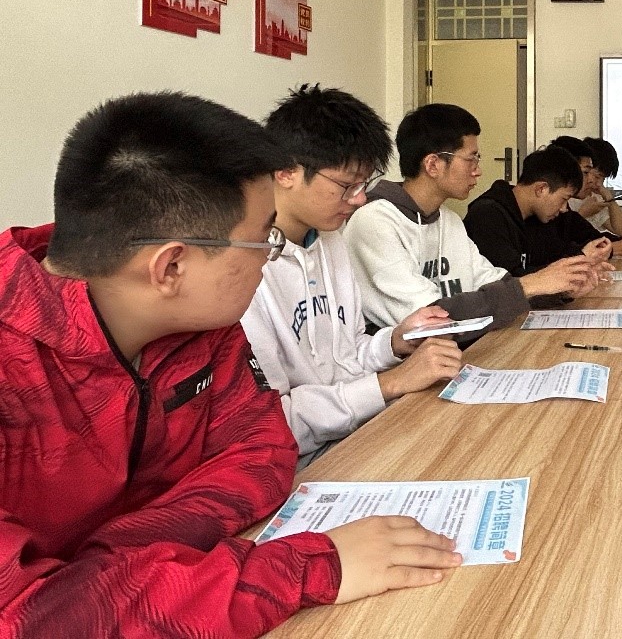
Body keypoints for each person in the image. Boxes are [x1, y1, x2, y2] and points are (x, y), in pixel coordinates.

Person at [0, 92, 460, 638]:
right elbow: (32, 618)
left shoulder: (201, 323)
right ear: (171, 267)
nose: (272, 257)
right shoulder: (15, 372)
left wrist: (109, 563)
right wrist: (307, 568)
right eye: (263, 239)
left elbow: (263, 450)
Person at [240, 85, 463, 467]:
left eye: (364, 184)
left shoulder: (330, 239)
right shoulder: (242, 270)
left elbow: (347, 353)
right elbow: (272, 424)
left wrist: (393, 342)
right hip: (299, 464)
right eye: (347, 186)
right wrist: (390, 383)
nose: (360, 199)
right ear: (286, 171)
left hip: (358, 432)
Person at [345, 103, 601, 334]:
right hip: (406, 364)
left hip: (454, 352)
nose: (478, 171)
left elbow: (493, 281)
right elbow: (429, 318)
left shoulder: (449, 220)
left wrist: (561, 287)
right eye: (471, 159)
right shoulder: (375, 221)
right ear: (433, 164)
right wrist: (532, 285)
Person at [465, 145, 611, 279]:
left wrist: (584, 257)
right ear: (541, 189)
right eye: (564, 199)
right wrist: (580, 260)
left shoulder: (535, 216)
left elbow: (553, 256)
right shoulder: (487, 216)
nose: (563, 209)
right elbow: (510, 283)